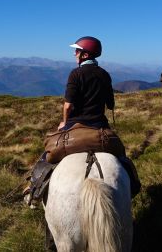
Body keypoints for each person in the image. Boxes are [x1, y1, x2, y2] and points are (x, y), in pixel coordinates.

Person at [24, 37, 140, 208]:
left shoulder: (75, 73)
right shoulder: (104, 74)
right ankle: (133, 186)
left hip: (74, 126)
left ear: (85, 54)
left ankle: (33, 190)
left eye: (77, 51)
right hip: (99, 126)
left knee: (46, 155)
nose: (74, 53)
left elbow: (68, 105)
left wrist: (64, 123)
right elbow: (110, 104)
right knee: (122, 157)